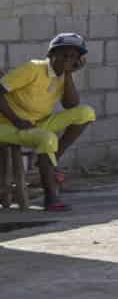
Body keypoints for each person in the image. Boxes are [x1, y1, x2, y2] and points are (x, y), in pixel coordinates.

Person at [1, 33, 98, 212]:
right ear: (52, 55)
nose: (68, 60)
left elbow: (71, 104)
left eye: (74, 57)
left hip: (36, 124)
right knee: (47, 139)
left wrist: (68, 74)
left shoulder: (62, 76)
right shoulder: (33, 69)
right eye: (64, 55)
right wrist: (16, 119)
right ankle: (51, 199)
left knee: (86, 113)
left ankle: (51, 161)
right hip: (8, 125)